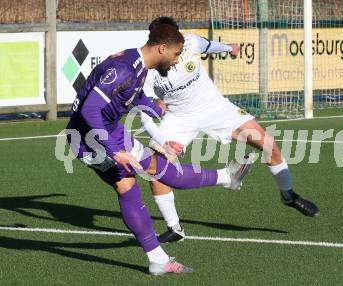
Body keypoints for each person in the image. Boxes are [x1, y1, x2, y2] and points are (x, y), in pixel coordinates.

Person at [66, 24, 255, 275]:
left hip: (110, 131)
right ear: (162, 48)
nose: (177, 61)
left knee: (151, 172)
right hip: (88, 139)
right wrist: (114, 151)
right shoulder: (123, 70)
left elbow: (134, 97)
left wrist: (155, 110)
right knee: (130, 184)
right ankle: (226, 178)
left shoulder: (139, 67)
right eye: (176, 54)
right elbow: (90, 110)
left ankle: (158, 260)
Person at [143, 17, 320, 244]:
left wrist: (230, 48)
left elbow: (209, 45)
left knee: (268, 145)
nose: (180, 45)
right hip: (180, 118)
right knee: (155, 168)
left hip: (217, 108)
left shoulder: (190, 42)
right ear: (161, 44)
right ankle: (175, 228)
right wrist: (156, 106)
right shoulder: (147, 70)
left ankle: (288, 195)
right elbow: (146, 108)